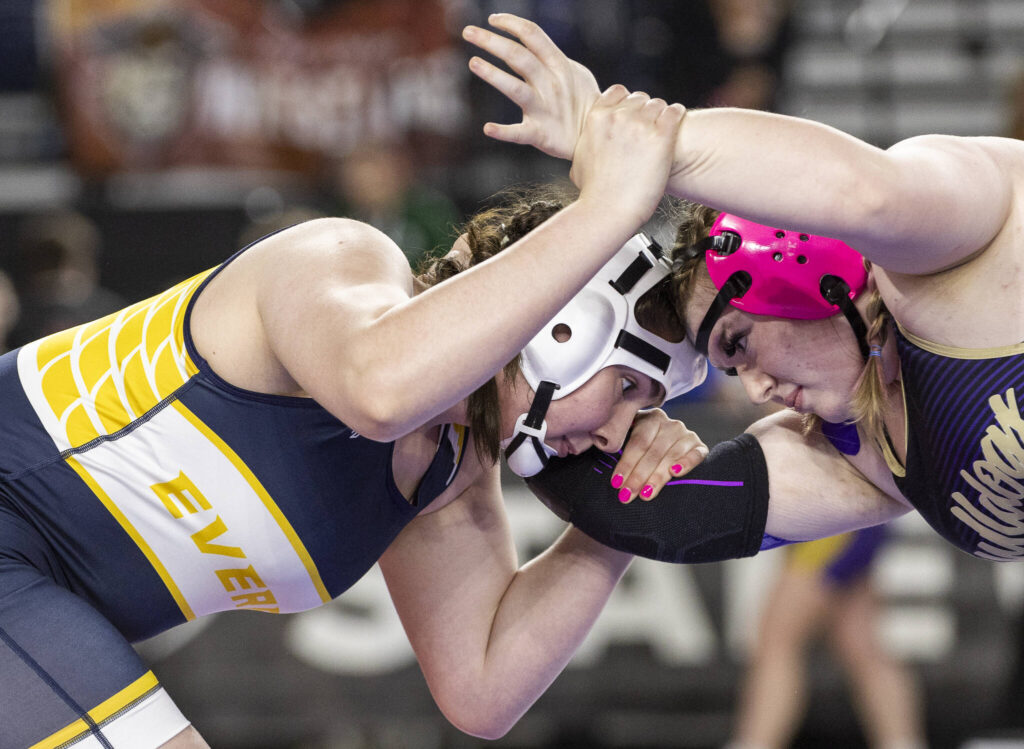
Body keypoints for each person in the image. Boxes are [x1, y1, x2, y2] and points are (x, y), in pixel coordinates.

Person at [0, 91, 711, 748]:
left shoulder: (450, 467)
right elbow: (380, 392)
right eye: (624, 385)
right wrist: (610, 208)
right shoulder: (341, 259)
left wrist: (622, 515)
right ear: (565, 331)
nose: (619, 432)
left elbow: (483, 691)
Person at [463, 13, 1024, 564]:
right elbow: (663, 521)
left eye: (737, 345)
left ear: (803, 268)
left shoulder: (940, 254)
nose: (756, 392)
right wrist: (573, 432)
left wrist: (606, 133)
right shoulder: (857, 450)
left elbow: (867, 194)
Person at [728, 526, 926, 749]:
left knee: (778, 640)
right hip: (848, 521)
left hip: (835, 526)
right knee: (861, 644)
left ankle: (755, 743)